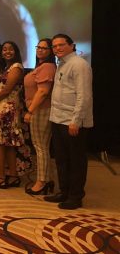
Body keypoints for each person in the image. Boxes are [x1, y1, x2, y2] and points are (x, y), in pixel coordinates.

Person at [45, 34, 93, 210]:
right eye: (54, 46)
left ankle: (75, 196)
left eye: (61, 45)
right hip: (58, 119)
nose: (57, 48)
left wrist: (76, 120)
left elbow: (84, 95)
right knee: (61, 159)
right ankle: (64, 192)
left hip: (72, 122)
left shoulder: (79, 64)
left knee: (76, 160)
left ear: (72, 45)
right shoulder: (62, 63)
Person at [0, 42, 32, 181]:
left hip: (8, 109)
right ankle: (12, 176)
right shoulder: (5, 67)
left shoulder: (16, 67)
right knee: (8, 144)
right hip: (2, 107)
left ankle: (1, 178)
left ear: (16, 51)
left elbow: (7, 90)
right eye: (4, 49)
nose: (7, 52)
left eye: (10, 49)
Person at [24, 38, 56, 195]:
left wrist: (30, 111)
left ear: (51, 51)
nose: (40, 50)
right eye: (38, 47)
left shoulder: (48, 67)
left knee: (40, 147)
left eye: (44, 48)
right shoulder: (41, 66)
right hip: (38, 109)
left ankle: (42, 182)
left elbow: (43, 92)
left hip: (41, 110)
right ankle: (46, 179)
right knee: (41, 146)